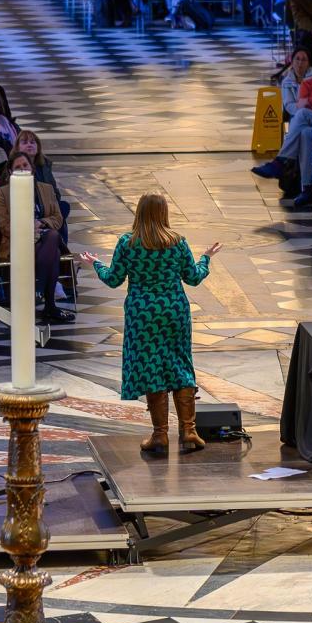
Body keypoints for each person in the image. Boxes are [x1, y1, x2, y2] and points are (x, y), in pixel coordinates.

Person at [80, 194, 221, 454]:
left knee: (151, 367)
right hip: (174, 311)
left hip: (141, 314)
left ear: (139, 213)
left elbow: (113, 280)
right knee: (180, 363)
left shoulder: (128, 243)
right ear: (164, 212)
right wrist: (206, 258)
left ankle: (160, 436)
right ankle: (189, 431)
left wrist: (95, 264)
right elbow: (193, 278)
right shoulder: (177, 242)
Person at [0, 152, 71, 325]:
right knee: (53, 252)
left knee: (51, 235)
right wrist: (27, 228)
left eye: (25, 165)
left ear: (32, 168)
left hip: (43, 235)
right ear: (10, 172)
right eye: (17, 167)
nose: (22, 169)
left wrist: (41, 222)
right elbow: (3, 225)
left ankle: (38, 290)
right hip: (18, 241)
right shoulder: (3, 193)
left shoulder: (46, 189)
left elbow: (57, 218)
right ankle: (49, 306)